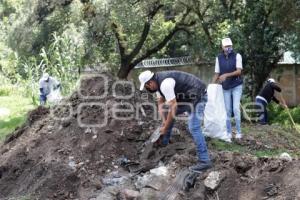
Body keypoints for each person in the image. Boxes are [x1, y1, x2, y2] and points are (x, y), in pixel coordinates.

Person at [139, 70, 212, 173]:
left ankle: (205, 161)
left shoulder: (165, 84)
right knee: (167, 113)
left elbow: (173, 107)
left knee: (194, 127)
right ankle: (164, 143)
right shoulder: (158, 85)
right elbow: (160, 104)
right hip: (187, 98)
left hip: (198, 96)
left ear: (150, 83)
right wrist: (164, 123)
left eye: (147, 87)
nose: (148, 89)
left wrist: (165, 127)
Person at [212, 37, 243, 139]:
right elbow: (217, 73)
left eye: (230, 46)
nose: (229, 48)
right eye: (226, 46)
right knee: (228, 110)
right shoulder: (219, 58)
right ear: (222, 47)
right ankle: (229, 132)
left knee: (235, 108)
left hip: (236, 85)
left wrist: (225, 75)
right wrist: (211, 85)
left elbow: (239, 71)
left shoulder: (237, 56)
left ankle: (238, 132)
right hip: (225, 87)